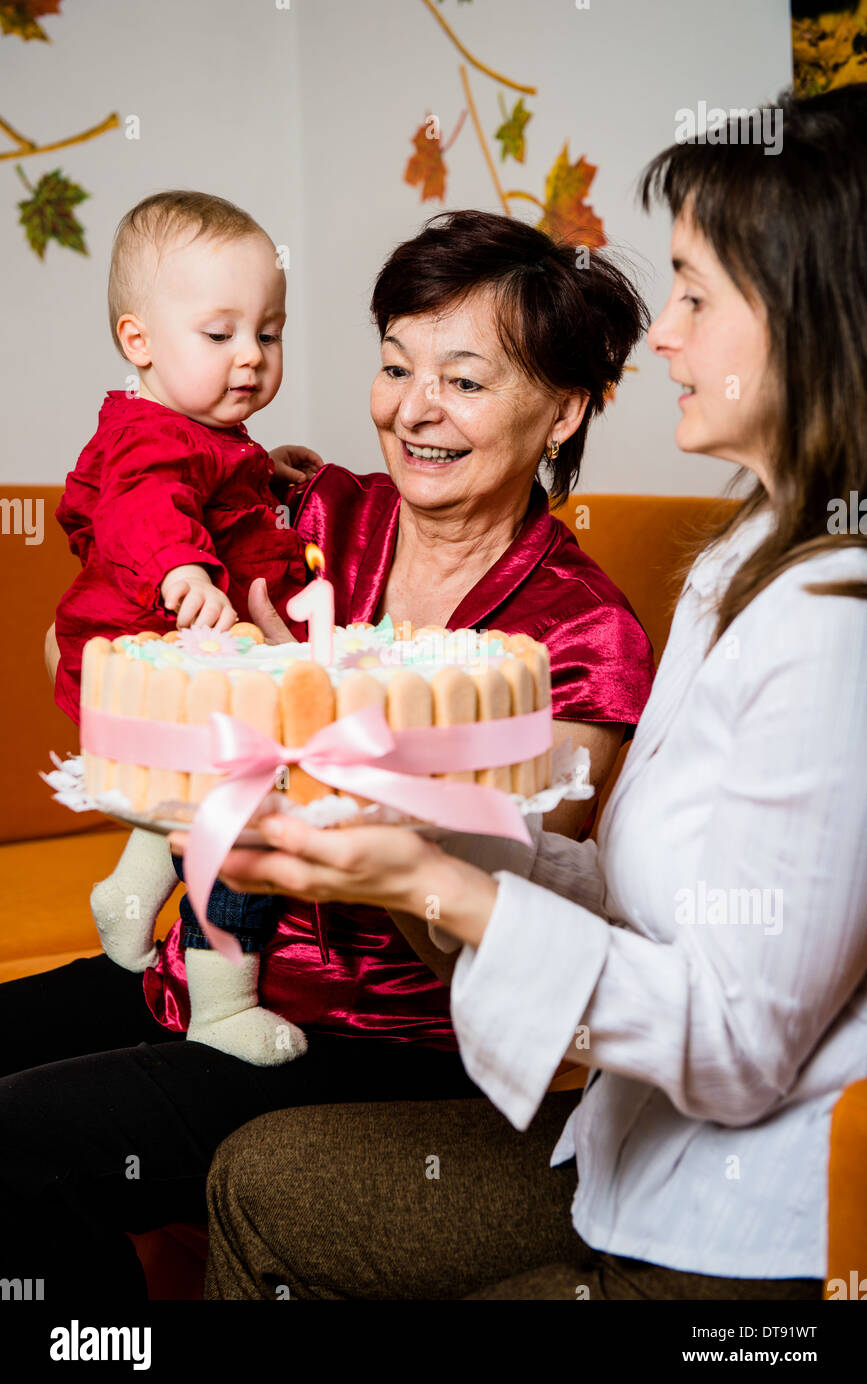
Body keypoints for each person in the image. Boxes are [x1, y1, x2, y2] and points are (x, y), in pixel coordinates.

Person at [193, 85, 867, 1300]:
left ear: (820, 322)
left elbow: (736, 1042)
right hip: (626, 1149)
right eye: (398, 364)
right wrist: (429, 826)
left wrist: (430, 883)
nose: (663, 337)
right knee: (260, 1178)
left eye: (699, 297)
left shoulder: (837, 629)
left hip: (740, 1234)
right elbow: (630, 890)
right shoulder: (738, 569)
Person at [10, 209, 653, 1300]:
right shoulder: (308, 513)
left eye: (464, 378)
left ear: (565, 409)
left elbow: (508, 915)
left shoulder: (581, 637)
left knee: (21, 1142)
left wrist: (354, 784)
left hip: (381, 1040)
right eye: (396, 364)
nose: (413, 410)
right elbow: (119, 557)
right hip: (203, 967)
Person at [53, 188, 320, 1066]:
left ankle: (130, 895)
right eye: (220, 335)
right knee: (242, 818)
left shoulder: (199, 431)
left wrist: (267, 473)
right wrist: (178, 567)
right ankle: (218, 999)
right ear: (140, 342)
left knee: (202, 804)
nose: (250, 357)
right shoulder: (150, 440)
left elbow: (210, 485)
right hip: (164, 661)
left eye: (268, 334)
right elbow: (141, 507)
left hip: (186, 669)